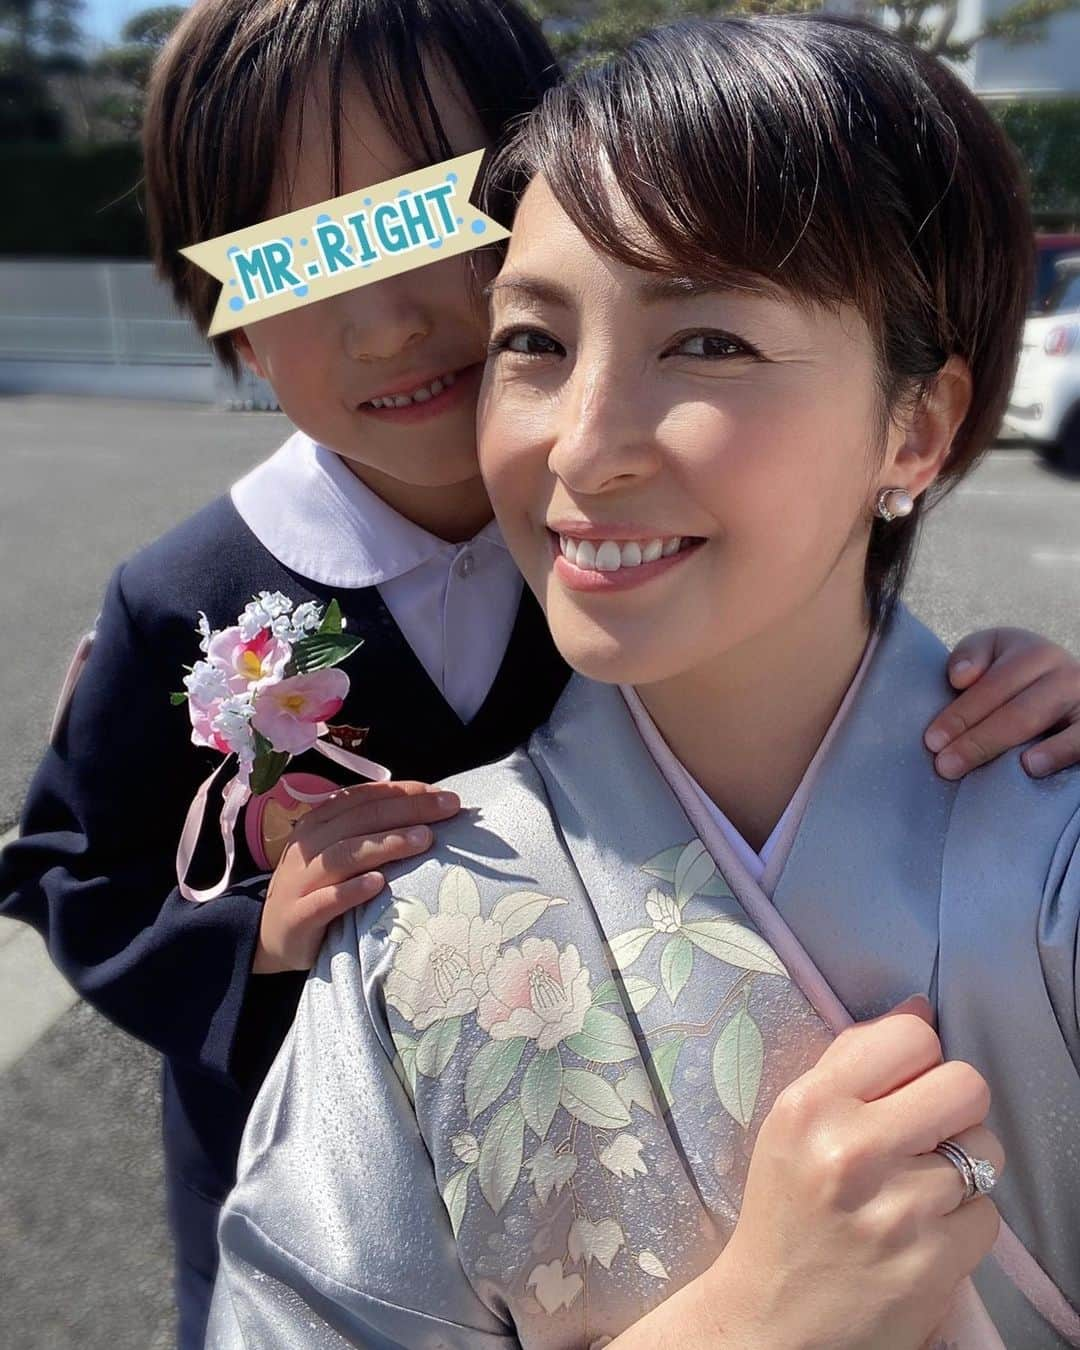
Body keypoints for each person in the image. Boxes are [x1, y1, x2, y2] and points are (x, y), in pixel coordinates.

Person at [206, 15, 1080, 1350]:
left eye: (709, 343)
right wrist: (753, 1318)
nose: (583, 446)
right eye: (534, 344)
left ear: (918, 424)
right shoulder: (416, 932)